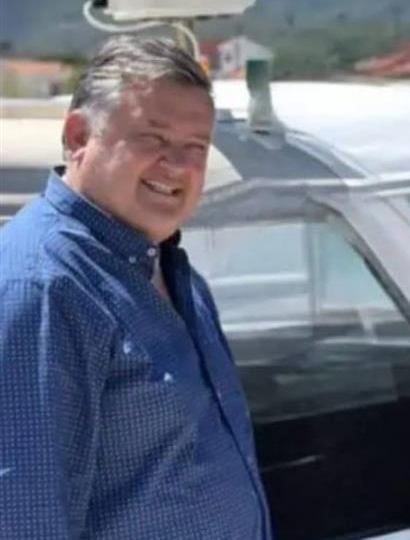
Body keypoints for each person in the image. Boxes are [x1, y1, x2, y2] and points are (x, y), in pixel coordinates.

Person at [0, 36, 271, 539]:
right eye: (154, 138)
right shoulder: (42, 288)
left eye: (196, 147)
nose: (178, 165)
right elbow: (23, 518)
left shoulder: (169, 268)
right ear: (79, 135)